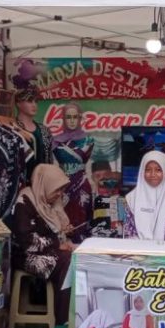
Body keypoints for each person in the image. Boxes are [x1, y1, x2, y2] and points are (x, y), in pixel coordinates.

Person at [12, 164, 76, 326]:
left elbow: (52, 230)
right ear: (45, 184)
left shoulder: (49, 202)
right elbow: (26, 240)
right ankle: (64, 321)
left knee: (77, 257)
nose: (60, 194)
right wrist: (56, 244)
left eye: (61, 190)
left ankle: (76, 315)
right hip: (26, 255)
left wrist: (63, 235)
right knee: (67, 262)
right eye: (56, 189)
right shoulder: (25, 202)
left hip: (48, 250)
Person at [124, 151, 165, 241]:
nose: (153, 174)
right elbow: (129, 233)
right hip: (138, 249)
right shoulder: (131, 198)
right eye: (148, 170)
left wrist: (159, 247)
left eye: (158, 170)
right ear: (142, 171)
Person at [52, 102, 94, 240]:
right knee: (63, 221)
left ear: (80, 118)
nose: (71, 120)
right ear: (63, 119)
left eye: (75, 117)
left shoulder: (88, 140)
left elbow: (85, 162)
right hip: (62, 186)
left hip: (81, 185)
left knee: (81, 221)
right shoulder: (56, 141)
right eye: (68, 117)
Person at [15, 88, 54, 169]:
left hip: (43, 176)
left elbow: (49, 160)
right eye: (29, 101)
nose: (34, 105)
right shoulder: (13, 129)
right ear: (18, 103)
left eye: (36, 101)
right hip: (21, 176)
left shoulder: (44, 130)